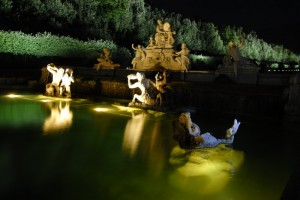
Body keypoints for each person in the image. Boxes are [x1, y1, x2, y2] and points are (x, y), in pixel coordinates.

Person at [172, 112, 241, 149]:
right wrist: (189, 123)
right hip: (204, 139)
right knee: (222, 142)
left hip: (204, 140)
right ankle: (230, 134)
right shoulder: (191, 129)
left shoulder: (184, 129)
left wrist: (188, 123)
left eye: (181, 117)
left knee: (222, 142)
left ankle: (230, 134)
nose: (180, 118)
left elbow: (180, 139)